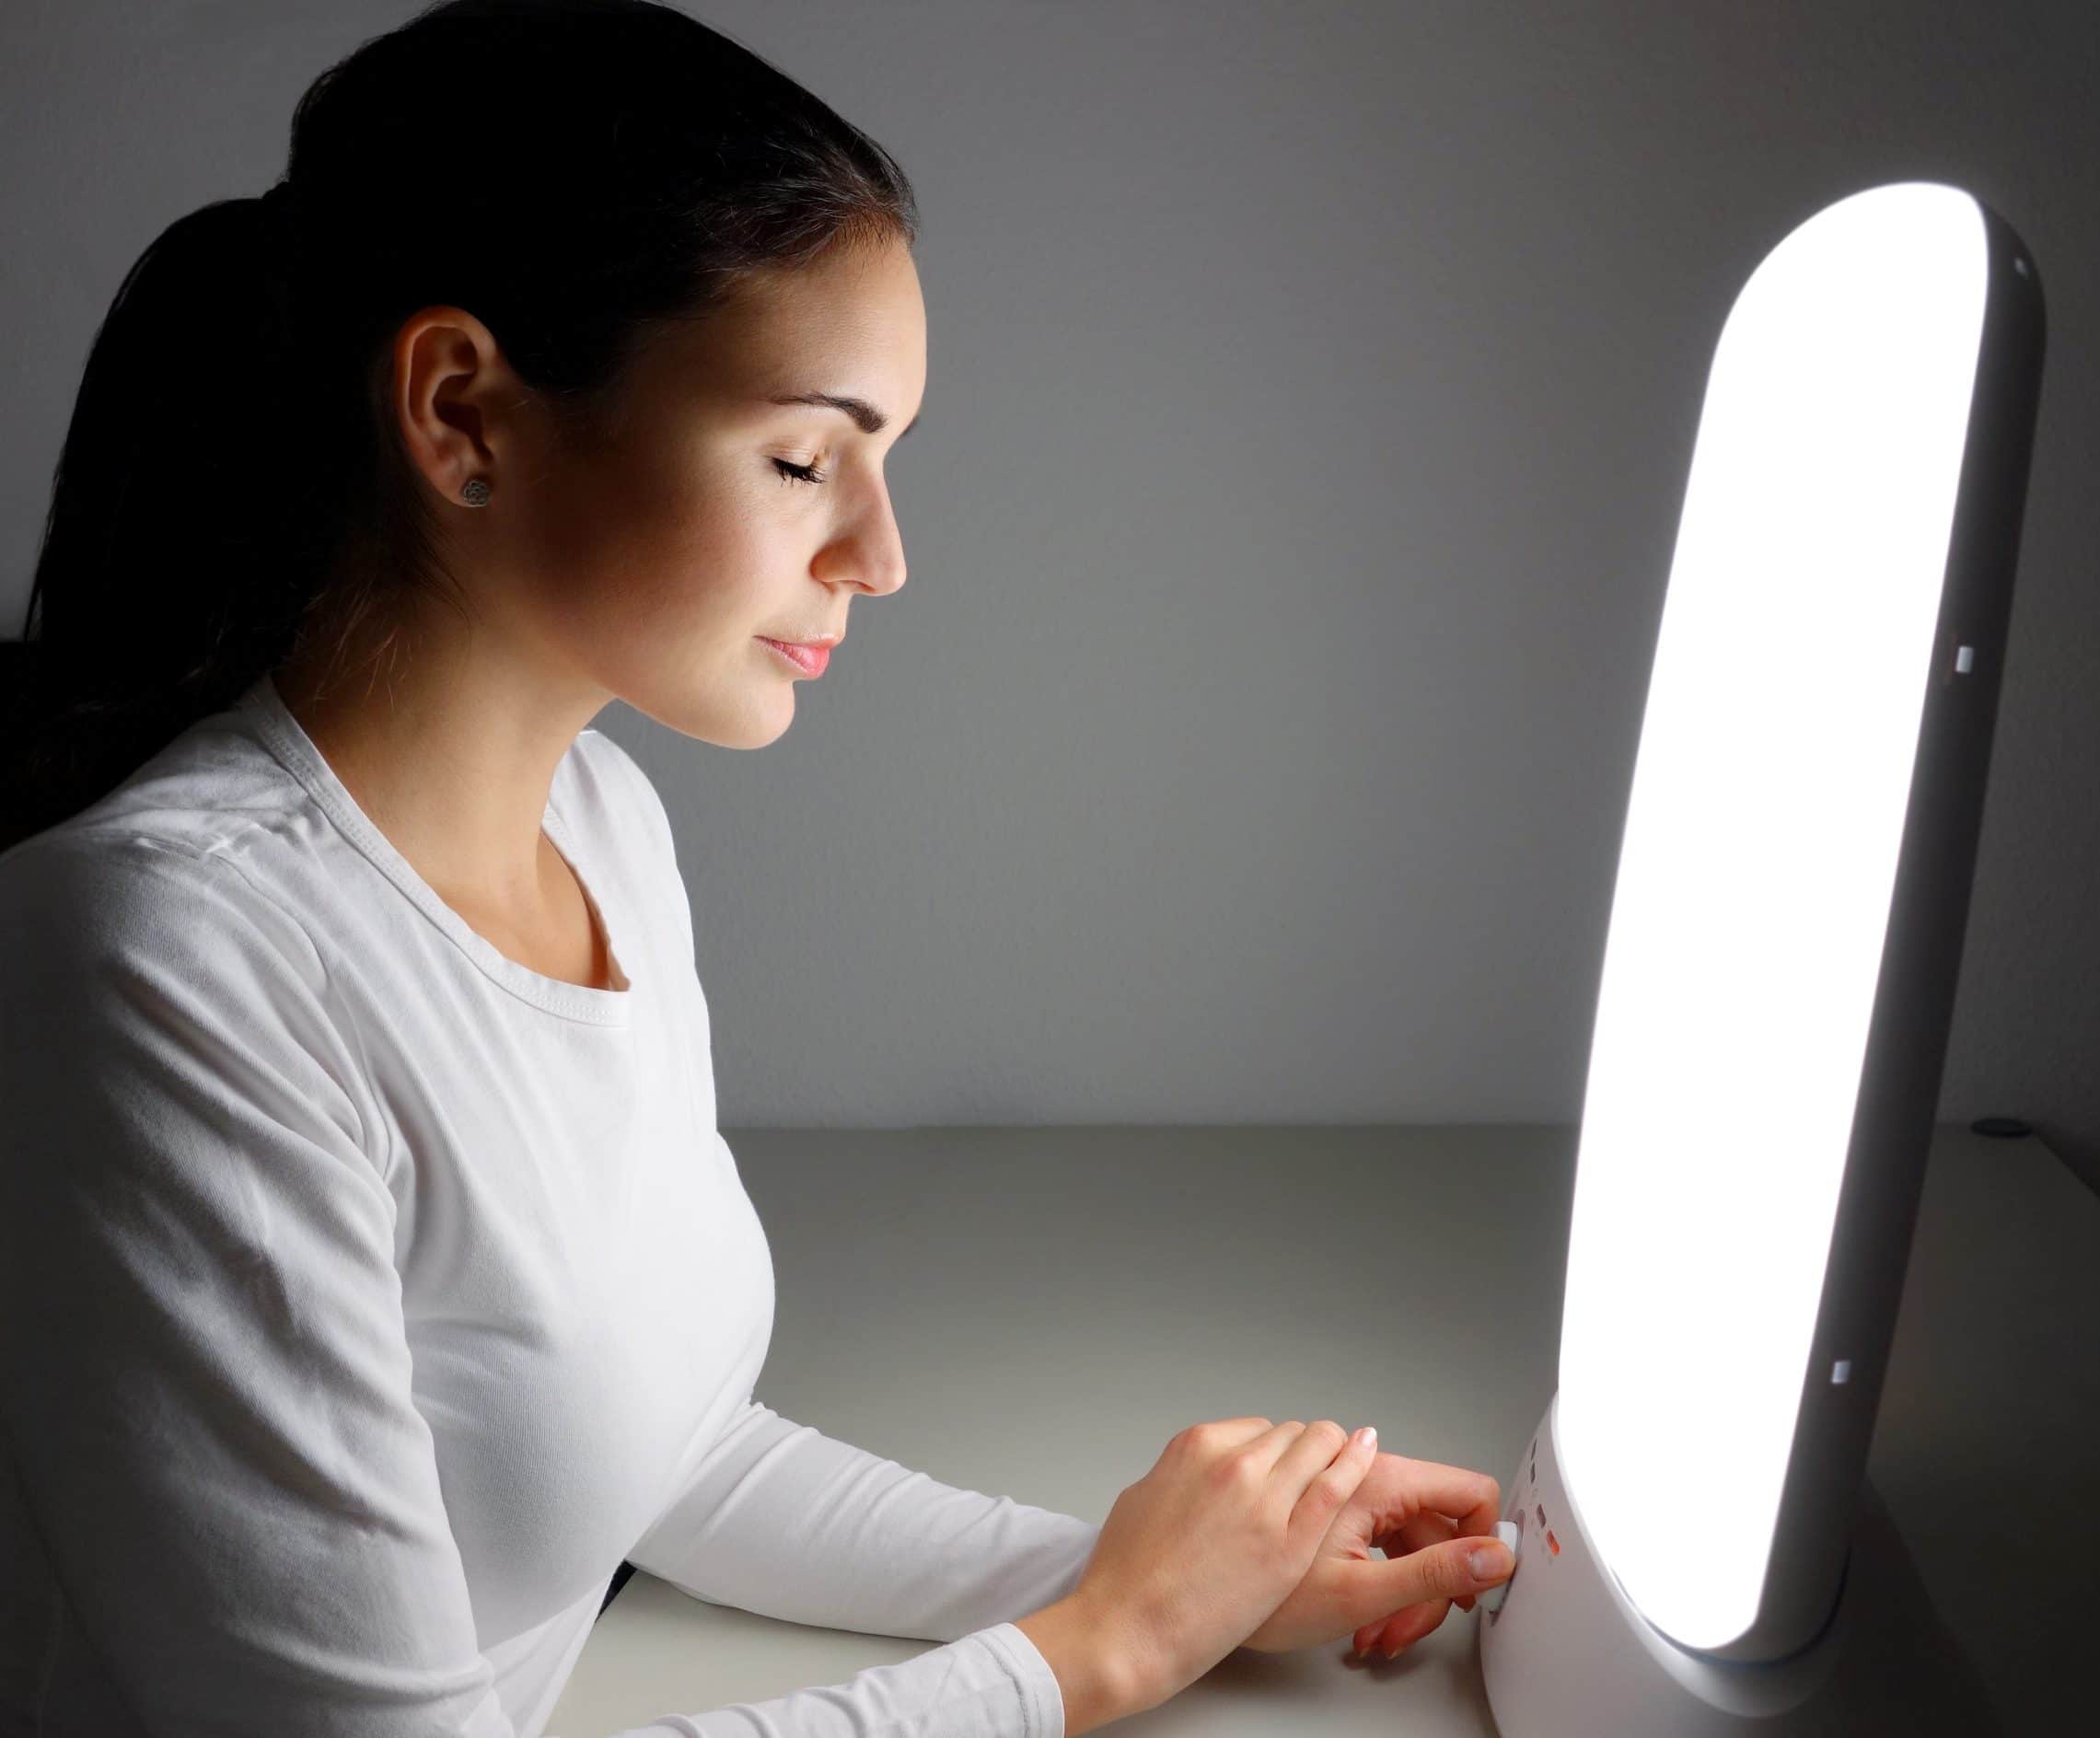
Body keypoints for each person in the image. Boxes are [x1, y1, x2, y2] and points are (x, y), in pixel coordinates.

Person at [0, 2, 1518, 1733]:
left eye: (882, 463)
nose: (878, 554)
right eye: (804, 457)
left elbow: (668, 1448)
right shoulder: (168, 960)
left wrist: (1167, 1578)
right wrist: (1099, 1655)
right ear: (461, 414)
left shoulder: (607, 830)